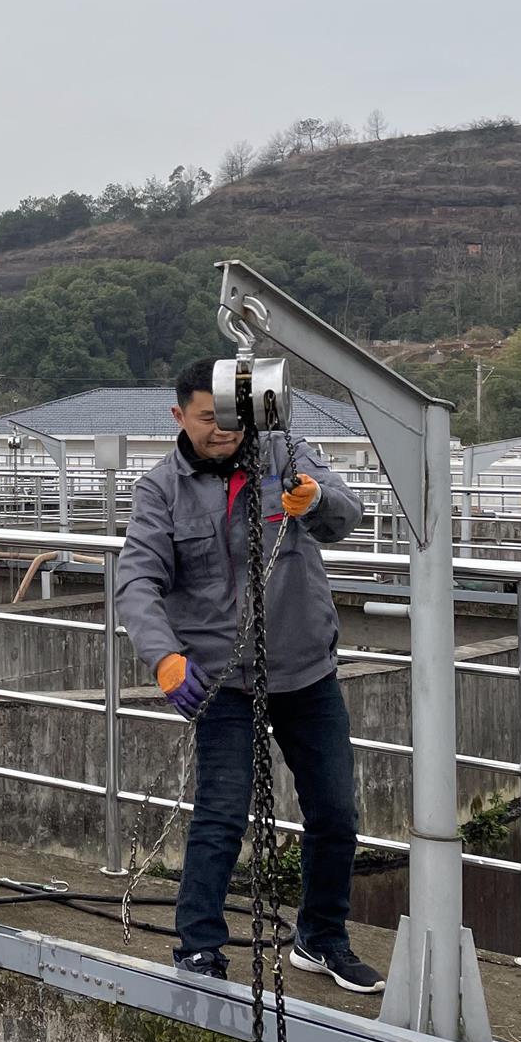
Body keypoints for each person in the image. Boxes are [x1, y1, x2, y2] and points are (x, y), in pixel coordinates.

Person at [115, 357, 383, 994]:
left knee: (335, 811)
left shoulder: (285, 452)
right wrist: (164, 656)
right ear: (179, 417)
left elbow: (347, 519)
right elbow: (137, 579)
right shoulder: (161, 490)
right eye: (208, 418)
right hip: (220, 679)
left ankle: (322, 938)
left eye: (232, 416)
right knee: (221, 814)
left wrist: (316, 498)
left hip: (304, 669)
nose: (224, 429)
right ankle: (199, 949)